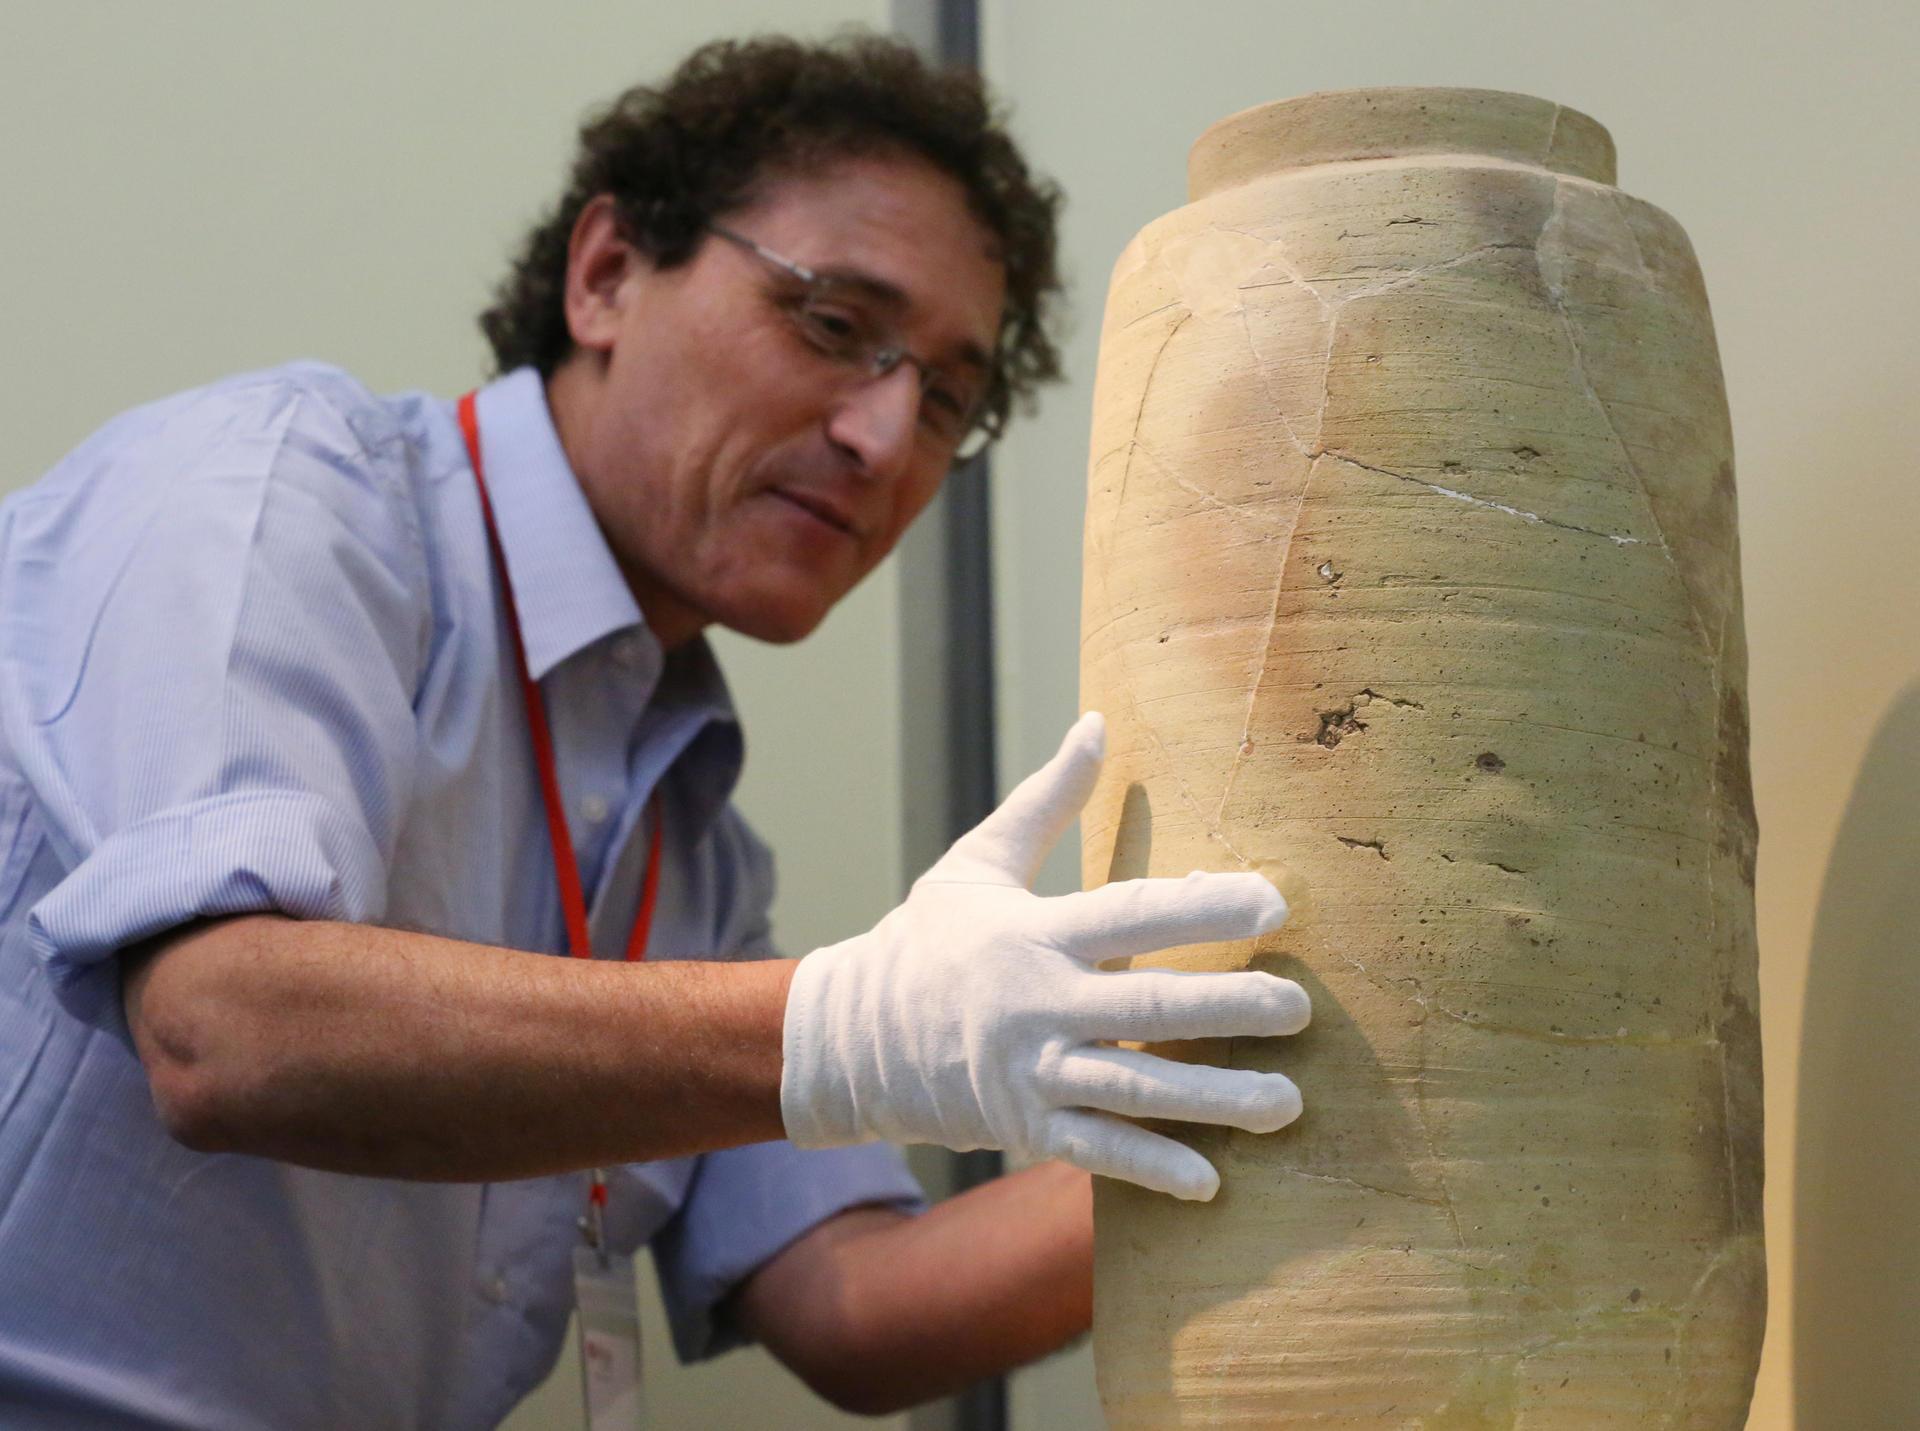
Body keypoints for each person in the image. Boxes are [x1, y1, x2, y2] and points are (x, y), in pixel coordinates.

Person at [0, 33, 1311, 1427]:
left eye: (945, 398)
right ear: (607, 273)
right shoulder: (277, 496)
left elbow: (857, 1306)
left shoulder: (689, 841)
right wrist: (853, 1020)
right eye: (830, 324)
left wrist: (1259, 1097)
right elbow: (231, 1026)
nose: (884, 438)